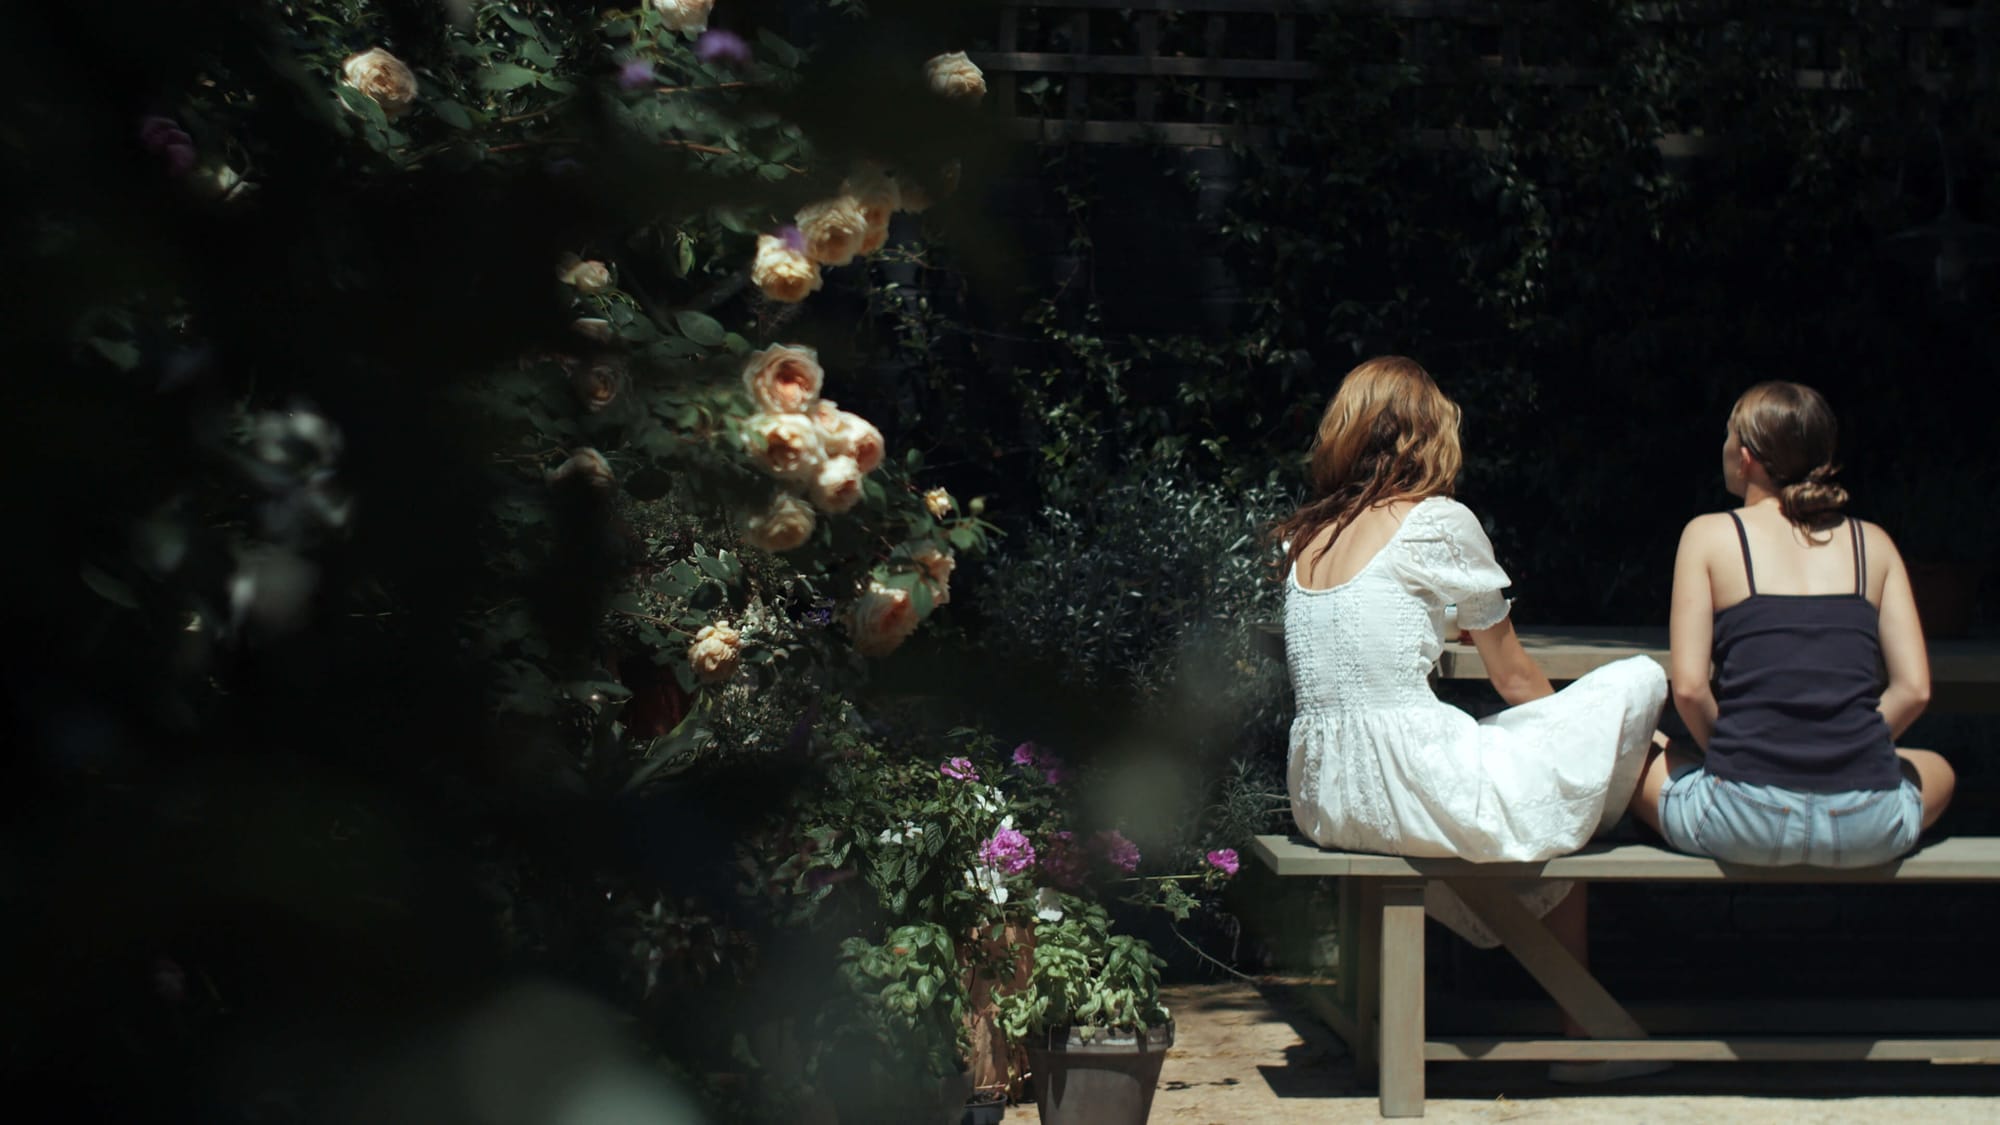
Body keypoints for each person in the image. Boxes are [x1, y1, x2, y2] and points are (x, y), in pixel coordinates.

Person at [1276, 357, 1668, 1046]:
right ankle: (1585, 1032)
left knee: (1552, 789)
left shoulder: (1307, 537)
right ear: (1428, 436)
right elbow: (1513, 675)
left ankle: (1576, 1021)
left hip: (1326, 791)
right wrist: (1578, 745)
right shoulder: (1435, 522)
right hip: (1409, 784)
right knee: (1636, 681)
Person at [1630, 381, 1954, 865]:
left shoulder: (1708, 535)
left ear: (1745, 458)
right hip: (1864, 824)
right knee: (1938, 770)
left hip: (1744, 819)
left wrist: (1740, 755)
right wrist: (1841, 747)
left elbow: (1692, 689)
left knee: (1634, 755)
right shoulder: (1875, 545)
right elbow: (1915, 690)